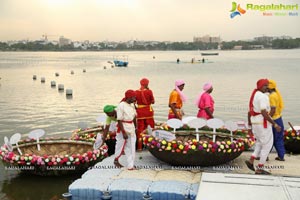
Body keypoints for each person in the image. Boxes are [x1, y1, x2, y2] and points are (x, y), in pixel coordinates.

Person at [245, 79, 281, 175]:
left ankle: (251, 160)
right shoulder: (262, 97)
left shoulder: (255, 95)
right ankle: (260, 168)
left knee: (259, 143)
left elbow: (249, 112)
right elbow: (264, 113)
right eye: (265, 85)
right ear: (260, 86)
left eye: (268, 85)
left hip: (255, 123)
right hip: (262, 124)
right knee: (267, 145)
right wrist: (275, 124)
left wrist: (249, 126)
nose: (267, 87)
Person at [114, 90, 137, 170]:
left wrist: (136, 127)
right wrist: (123, 132)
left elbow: (134, 117)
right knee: (121, 145)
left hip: (131, 127)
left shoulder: (132, 104)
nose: (135, 98)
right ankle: (116, 160)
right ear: (129, 97)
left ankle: (131, 164)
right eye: (134, 97)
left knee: (131, 146)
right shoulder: (121, 105)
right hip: (123, 128)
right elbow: (119, 120)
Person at [135, 78, 155, 151]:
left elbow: (134, 102)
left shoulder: (136, 92)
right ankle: (150, 146)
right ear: (147, 84)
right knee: (150, 128)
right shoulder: (149, 91)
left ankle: (139, 147)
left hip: (139, 112)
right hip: (148, 112)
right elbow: (153, 101)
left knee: (140, 129)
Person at [268, 80, 285, 161]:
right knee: (279, 138)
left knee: (270, 139)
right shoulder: (276, 94)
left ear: (270, 87)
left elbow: (273, 110)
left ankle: (265, 156)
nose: (265, 88)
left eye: (266, 86)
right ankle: (281, 156)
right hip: (279, 118)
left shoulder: (271, 96)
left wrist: (267, 119)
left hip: (274, 120)